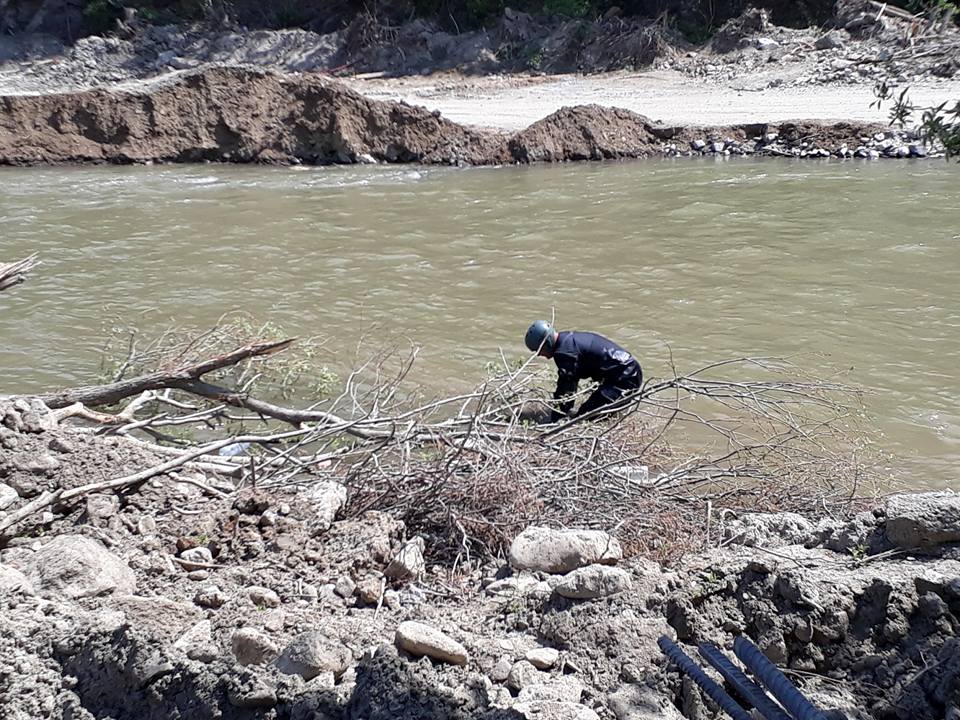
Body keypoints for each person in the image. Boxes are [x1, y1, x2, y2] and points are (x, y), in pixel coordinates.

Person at [524, 320, 642, 423]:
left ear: (546, 344)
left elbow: (566, 390)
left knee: (584, 418)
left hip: (625, 377)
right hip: (627, 371)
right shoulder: (566, 341)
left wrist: (555, 420)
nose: (539, 354)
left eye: (538, 350)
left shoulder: (564, 352)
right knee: (593, 414)